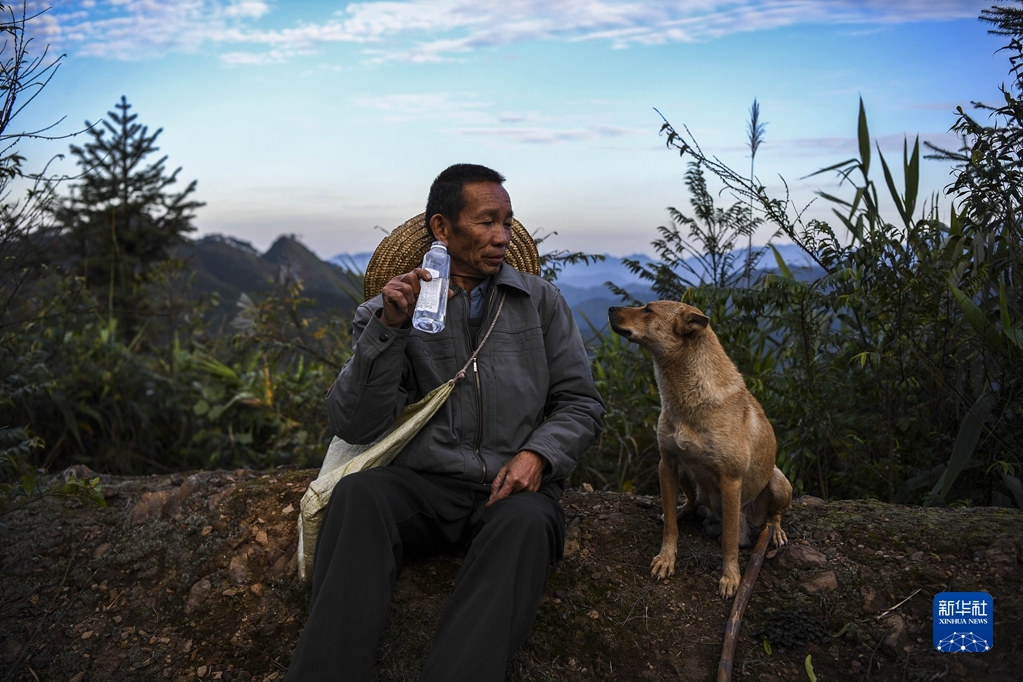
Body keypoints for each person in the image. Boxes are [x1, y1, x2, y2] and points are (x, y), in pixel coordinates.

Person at [284, 164, 605, 682]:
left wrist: (538, 455)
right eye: (486, 222)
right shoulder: (386, 312)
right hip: (425, 486)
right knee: (360, 496)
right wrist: (390, 329)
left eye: (507, 222)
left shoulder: (540, 304)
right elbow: (355, 423)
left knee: (527, 525)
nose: (502, 236)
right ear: (442, 228)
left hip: (510, 490)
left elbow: (580, 403)